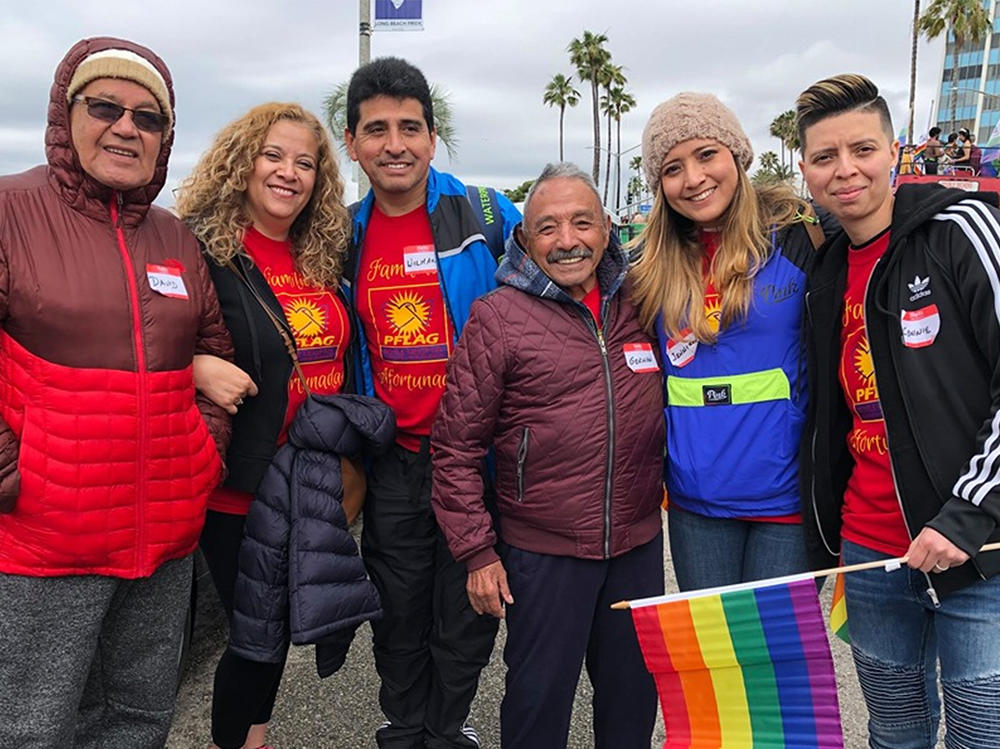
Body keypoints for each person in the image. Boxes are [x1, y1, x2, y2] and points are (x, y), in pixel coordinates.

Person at [0, 37, 232, 748]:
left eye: (148, 117)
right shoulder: (11, 211)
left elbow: (213, 353)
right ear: (65, 115)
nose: (127, 127)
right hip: (46, 540)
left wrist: (200, 459)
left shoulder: (174, 237)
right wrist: (12, 471)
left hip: (162, 538)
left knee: (139, 720)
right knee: (32, 728)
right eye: (106, 107)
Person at [797, 73, 1000, 748]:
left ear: (895, 153)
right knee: (895, 733)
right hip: (871, 551)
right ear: (805, 170)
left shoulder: (960, 229)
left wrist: (969, 513)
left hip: (977, 550)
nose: (844, 169)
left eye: (862, 148)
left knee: (981, 735)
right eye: (825, 157)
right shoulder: (826, 273)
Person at [432, 162, 665, 749]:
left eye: (582, 222)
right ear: (524, 239)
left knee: (633, 701)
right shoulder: (497, 317)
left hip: (636, 546)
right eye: (548, 227)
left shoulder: (642, 301)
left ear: (607, 229)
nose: (567, 241)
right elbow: (455, 448)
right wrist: (477, 552)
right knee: (538, 704)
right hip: (543, 552)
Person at [342, 57, 521, 749]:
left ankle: (447, 728)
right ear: (353, 142)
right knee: (396, 606)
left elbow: (568, 272)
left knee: (469, 608)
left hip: (477, 461)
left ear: (432, 136)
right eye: (377, 129)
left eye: (410, 127)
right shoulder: (344, 235)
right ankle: (403, 722)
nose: (395, 143)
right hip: (395, 460)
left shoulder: (482, 213)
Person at [176, 102, 356, 749]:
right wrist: (195, 365)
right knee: (257, 632)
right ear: (241, 163)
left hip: (311, 478)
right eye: (273, 155)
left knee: (278, 625)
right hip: (240, 486)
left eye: (304, 162)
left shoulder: (321, 254)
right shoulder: (202, 251)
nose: (289, 172)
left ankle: (256, 736)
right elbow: (142, 334)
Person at [629, 92, 820, 591]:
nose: (693, 178)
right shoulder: (648, 267)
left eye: (706, 154)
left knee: (774, 663)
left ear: (737, 155)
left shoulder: (802, 237)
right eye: (672, 167)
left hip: (787, 502)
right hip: (697, 505)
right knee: (717, 664)